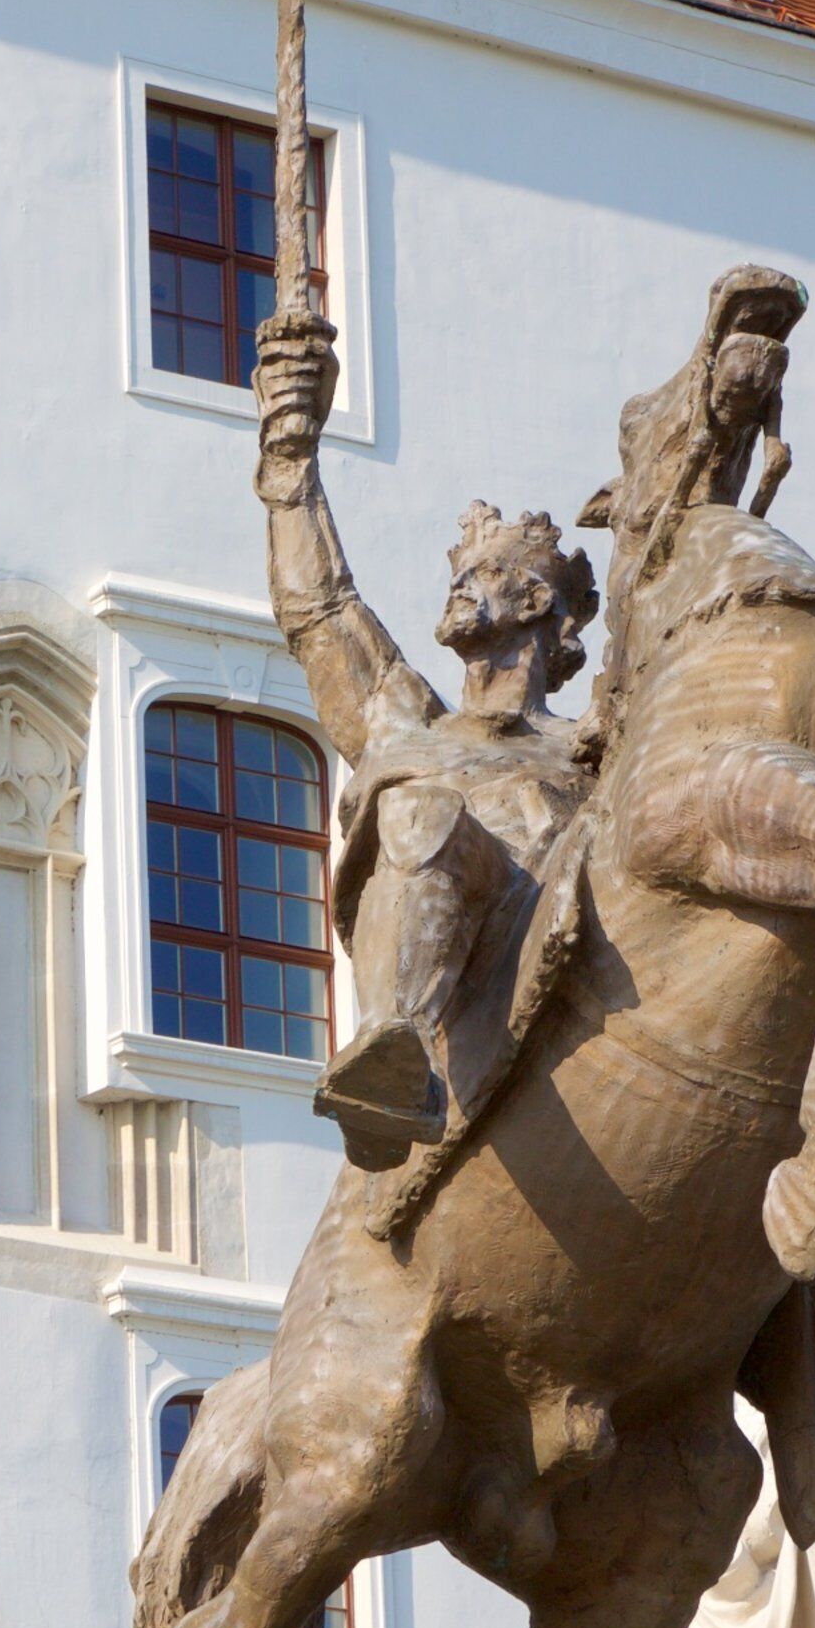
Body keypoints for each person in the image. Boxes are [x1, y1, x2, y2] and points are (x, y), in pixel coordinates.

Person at [253, 312, 589, 1168]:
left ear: (537, 604)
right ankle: (392, 1053)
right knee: (423, 807)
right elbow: (322, 612)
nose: (457, 586)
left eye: (479, 575)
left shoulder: (590, 750)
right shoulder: (408, 722)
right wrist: (291, 462)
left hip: (567, 979)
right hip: (463, 1000)